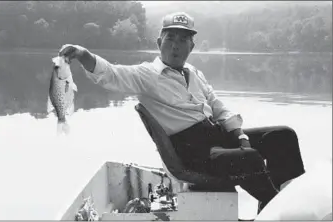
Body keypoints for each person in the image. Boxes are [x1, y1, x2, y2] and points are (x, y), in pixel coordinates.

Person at [59, 12, 305, 213]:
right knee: (249, 158)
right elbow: (111, 74)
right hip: (193, 153)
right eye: (170, 38)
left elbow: (218, 107)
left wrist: (239, 134)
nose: (176, 46)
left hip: (216, 136)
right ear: (159, 43)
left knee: (282, 136)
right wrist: (83, 54)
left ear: (192, 46)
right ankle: (283, 211)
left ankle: (281, 200)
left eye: (183, 40)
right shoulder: (146, 76)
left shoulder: (194, 73)